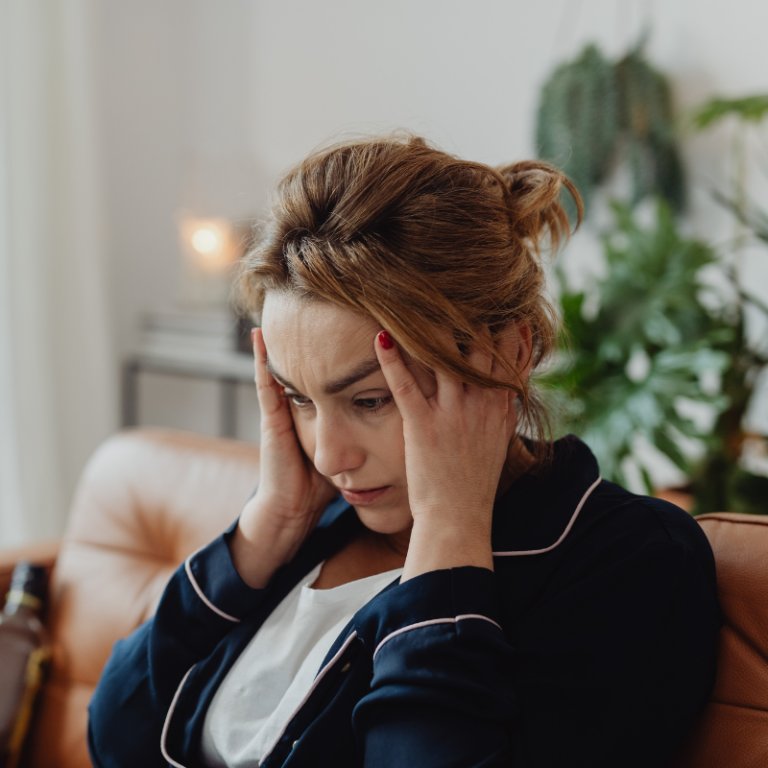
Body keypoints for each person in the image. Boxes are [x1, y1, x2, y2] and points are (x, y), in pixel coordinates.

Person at [88, 134, 722, 768]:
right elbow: (115, 736)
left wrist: (451, 532)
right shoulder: (315, 526)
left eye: (369, 400)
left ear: (510, 354)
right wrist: (265, 528)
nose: (329, 456)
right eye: (299, 398)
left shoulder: (627, 562)